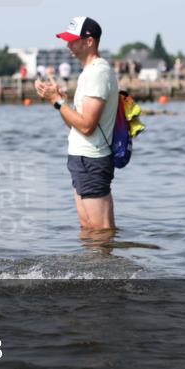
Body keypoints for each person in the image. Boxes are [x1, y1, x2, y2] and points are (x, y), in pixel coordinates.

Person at [35, 16, 119, 232]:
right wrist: (61, 103)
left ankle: (107, 266)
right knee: (88, 228)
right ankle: (91, 266)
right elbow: (76, 125)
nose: (68, 45)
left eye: (73, 40)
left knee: (100, 230)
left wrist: (58, 101)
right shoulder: (89, 72)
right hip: (82, 159)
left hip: (92, 159)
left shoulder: (98, 72)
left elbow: (87, 126)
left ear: (89, 41)